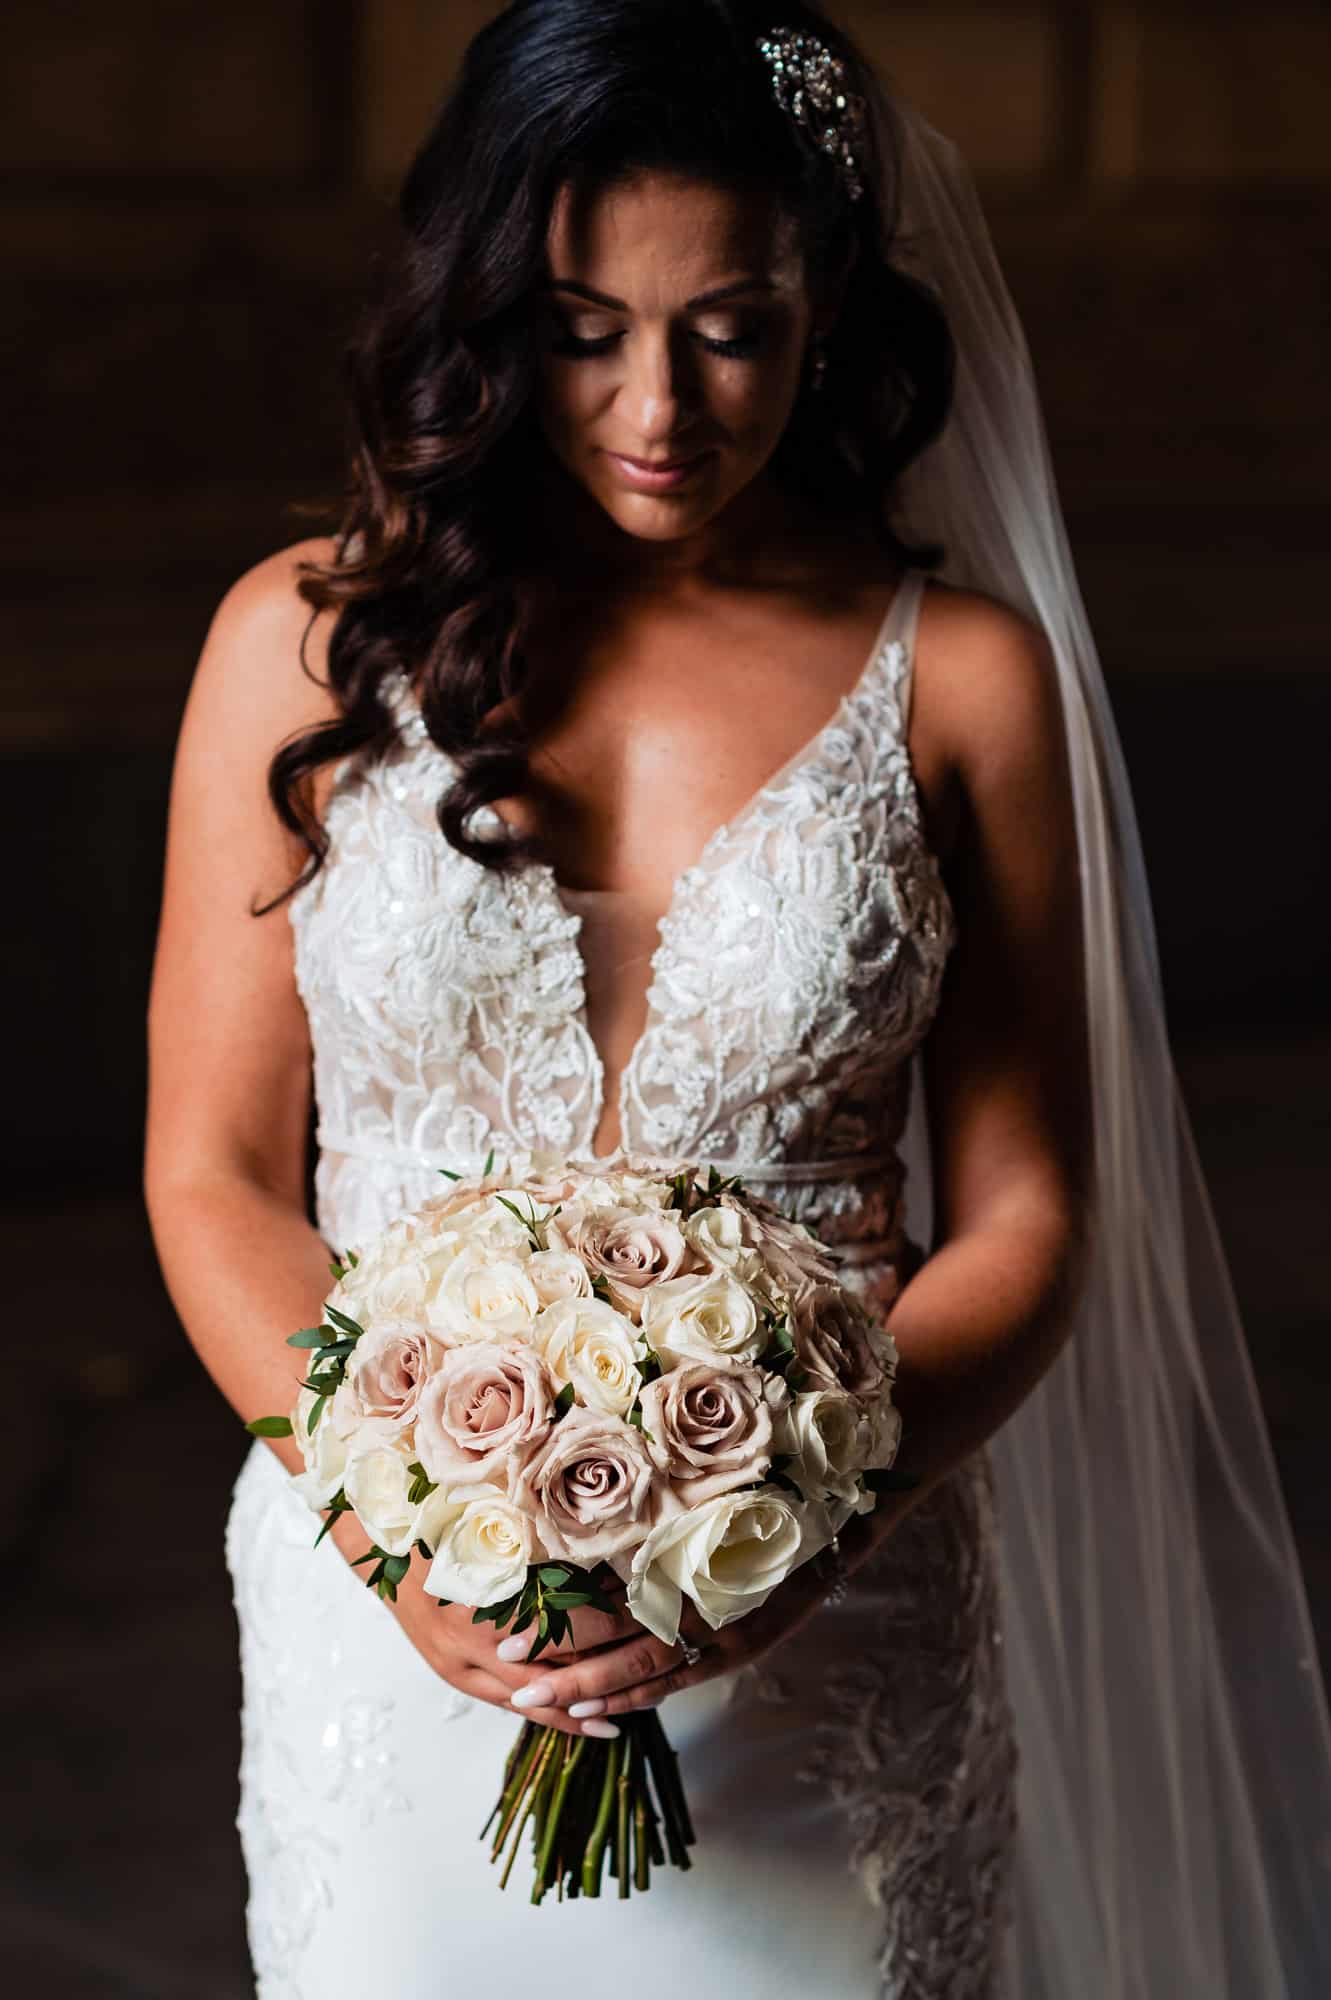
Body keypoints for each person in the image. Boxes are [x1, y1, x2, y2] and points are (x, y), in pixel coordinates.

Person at [144, 4, 1331, 1995]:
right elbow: (211, 1171)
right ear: (487, 301)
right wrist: (399, 1544)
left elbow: (1030, 1214)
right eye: (583, 323)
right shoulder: (299, 648)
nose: (659, 403)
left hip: (827, 1632)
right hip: (400, 1628)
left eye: (734, 324)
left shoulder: (960, 682)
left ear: (832, 300)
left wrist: (798, 1508)